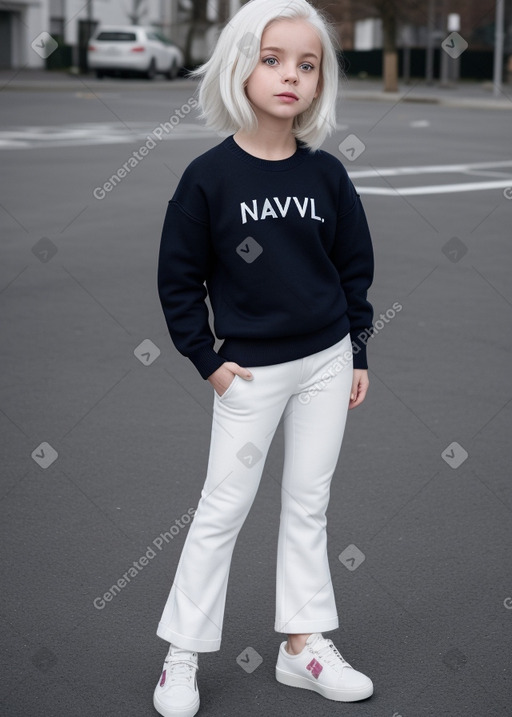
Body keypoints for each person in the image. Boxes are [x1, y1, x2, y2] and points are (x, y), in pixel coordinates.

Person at [154, 0, 375, 715]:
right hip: (248, 370)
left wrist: (359, 349)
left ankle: (302, 645)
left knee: (309, 505)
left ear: (319, 81)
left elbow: (352, 267)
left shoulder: (327, 176)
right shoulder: (208, 177)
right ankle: (181, 654)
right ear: (240, 64)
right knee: (222, 507)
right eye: (273, 58)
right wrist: (206, 359)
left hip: (326, 359)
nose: (290, 76)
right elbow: (178, 277)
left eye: (306, 65)